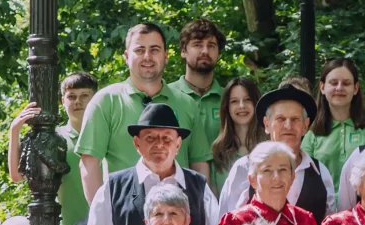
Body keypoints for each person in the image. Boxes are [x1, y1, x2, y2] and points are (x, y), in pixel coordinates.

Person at [75, 22, 209, 201]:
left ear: (166, 56)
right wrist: (103, 215)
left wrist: (199, 210)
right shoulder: (106, 101)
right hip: (124, 215)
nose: (147, 56)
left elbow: (199, 164)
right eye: (139, 50)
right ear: (126, 56)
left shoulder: (187, 104)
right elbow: (89, 164)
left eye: (154, 50)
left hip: (178, 218)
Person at [80, 101, 220, 225]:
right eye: (150, 138)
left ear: (178, 144)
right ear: (137, 143)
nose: (159, 144)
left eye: (166, 138)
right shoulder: (113, 188)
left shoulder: (199, 187)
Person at [8, 71, 98, 225]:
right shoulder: (54, 139)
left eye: (84, 96)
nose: (78, 102)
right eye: (71, 96)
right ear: (62, 101)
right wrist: (14, 130)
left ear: (95, 98)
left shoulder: (107, 135)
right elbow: (16, 176)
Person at [217, 84, 337, 222]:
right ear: (267, 124)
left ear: (305, 125)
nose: (288, 126)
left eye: (295, 119)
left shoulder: (320, 173)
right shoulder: (244, 168)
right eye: (280, 119)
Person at [307, 56, 365, 186]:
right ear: (322, 87)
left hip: (364, 205)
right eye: (333, 83)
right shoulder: (312, 134)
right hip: (323, 205)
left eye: (346, 83)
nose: (339, 88)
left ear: (355, 88)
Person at [167, 17, 229, 161]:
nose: (205, 51)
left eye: (211, 45)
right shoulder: (166, 96)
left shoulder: (230, 99)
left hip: (223, 182)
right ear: (183, 51)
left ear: (218, 54)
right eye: (197, 44)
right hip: (176, 182)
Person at [208, 75, 265, 182]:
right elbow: (213, 197)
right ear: (227, 108)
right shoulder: (217, 152)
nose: (241, 106)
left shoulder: (269, 147)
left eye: (247, 99)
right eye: (234, 101)